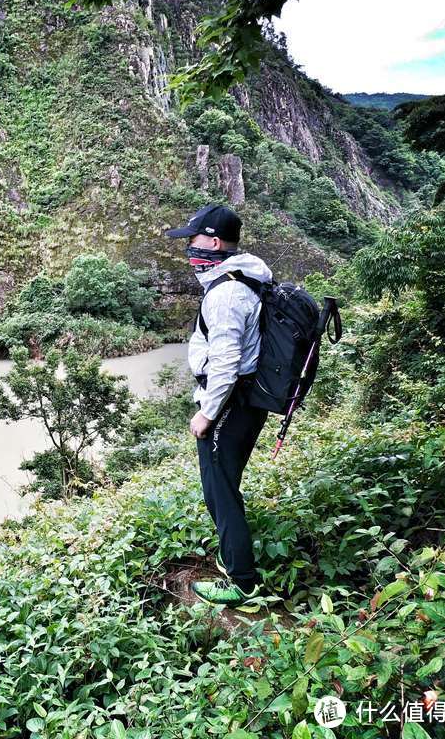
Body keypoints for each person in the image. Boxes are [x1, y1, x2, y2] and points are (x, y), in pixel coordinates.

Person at [164, 204, 273, 611]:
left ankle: (243, 582)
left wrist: (207, 413)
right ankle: (235, 558)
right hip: (245, 399)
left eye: (192, 241)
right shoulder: (243, 279)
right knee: (222, 486)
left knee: (220, 491)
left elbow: (226, 361)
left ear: (212, 242)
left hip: (230, 401)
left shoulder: (226, 293)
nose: (189, 250)